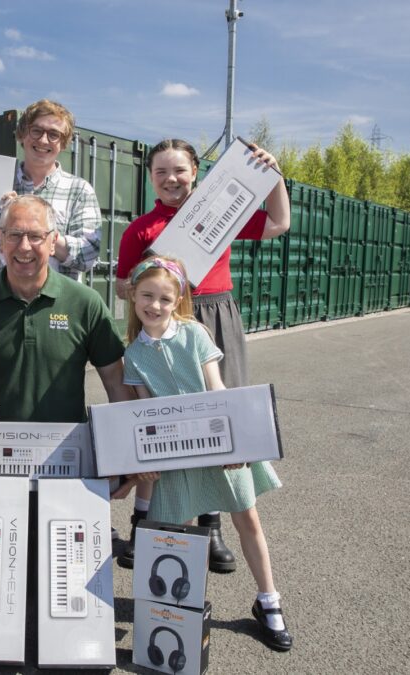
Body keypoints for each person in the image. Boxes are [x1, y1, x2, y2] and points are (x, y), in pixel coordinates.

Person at [114, 138, 291, 572]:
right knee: (166, 420)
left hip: (216, 313)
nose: (171, 179)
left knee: (218, 415)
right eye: (161, 172)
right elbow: (122, 285)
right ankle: (148, 521)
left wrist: (273, 176)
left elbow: (279, 223)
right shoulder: (141, 229)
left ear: (195, 171)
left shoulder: (218, 213)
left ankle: (212, 525)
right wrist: (154, 299)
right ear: (150, 177)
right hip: (164, 319)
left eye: (179, 170)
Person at [123, 256, 292, 652]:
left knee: (247, 517)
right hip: (176, 458)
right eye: (147, 296)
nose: (155, 306)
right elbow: (146, 414)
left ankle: (268, 601)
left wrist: (235, 443)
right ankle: (182, 610)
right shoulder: (132, 356)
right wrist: (146, 464)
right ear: (133, 296)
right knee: (182, 534)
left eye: (165, 299)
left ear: (178, 299)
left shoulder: (195, 334)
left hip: (217, 446)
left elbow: (216, 389)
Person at [0, 194, 129, 497]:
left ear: (53, 242)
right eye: (14, 235)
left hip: (69, 461)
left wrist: (124, 454)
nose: (24, 247)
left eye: (36, 236)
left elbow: (117, 385)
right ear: (0, 239)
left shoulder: (85, 303)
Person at [0, 99, 101, 281]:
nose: (43, 140)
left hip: (58, 305)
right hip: (6, 302)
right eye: (36, 130)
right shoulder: (0, 183)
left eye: (54, 134)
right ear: (22, 135)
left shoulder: (79, 190)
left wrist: (39, 231)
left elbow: (88, 255)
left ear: (63, 143)